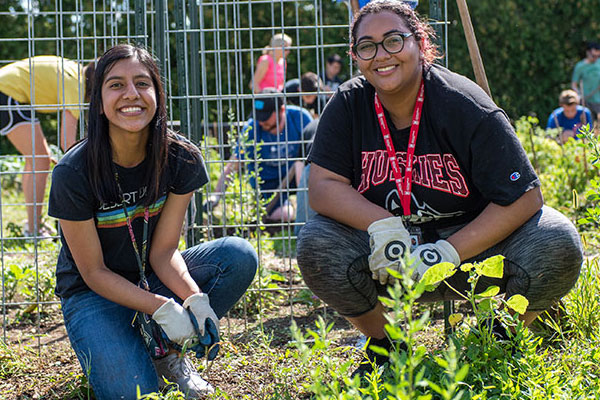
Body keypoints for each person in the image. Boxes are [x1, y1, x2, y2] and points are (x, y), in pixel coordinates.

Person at [296, 1, 582, 377]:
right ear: (356, 57)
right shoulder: (349, 103)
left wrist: (448, 250)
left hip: (473, 254)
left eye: (394, 41)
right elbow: (322, 186)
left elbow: (526, 196)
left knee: (557, 240)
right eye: (367, 46)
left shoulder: (463, 104)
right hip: (388, 258)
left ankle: (496, 339)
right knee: (315, 245)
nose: (381, 55)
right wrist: (382, 224)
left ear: (421, 42)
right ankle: (386, 344)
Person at [47, 44, 258, 399]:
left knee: (237, 255)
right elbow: (94, 272)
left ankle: (168, 355)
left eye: (142, 83)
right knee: (133, 393)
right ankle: (130, 344)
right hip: (93, 294)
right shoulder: (73, 172)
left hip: (152, 275)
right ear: (98, 102)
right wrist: (161, 306)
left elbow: (163, 252)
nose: (132, 94)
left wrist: (193, 300)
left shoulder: (182, 158)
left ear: (157, 94)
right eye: (116, 85)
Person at [0, 56, 94, 237]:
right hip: (7, 91)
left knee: (37, 160)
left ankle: (33, 225)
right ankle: (33, 229)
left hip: (10, 91)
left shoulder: (75, 72)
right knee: (40, 160)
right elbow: (66, 142)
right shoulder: (77, 86)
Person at [211, 88, 313, 222]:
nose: (261, 122)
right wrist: (216, 196)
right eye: (258, 116)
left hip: (296, 175)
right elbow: (233, 165)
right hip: (268, 184)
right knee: (283, 215)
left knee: (303, 166)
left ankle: (306, 208)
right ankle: (287, 208)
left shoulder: (300, 118)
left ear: (282, 110)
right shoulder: (252, 128)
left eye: (266, 116)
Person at [571, 41, 600, 121]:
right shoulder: (580, 66)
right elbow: (574, 84)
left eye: (598, 56)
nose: (596, 58)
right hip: (586, 101)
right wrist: (579, 95)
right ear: (588, 52)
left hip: (598, 101)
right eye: (594, 56)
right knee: (588, 126)